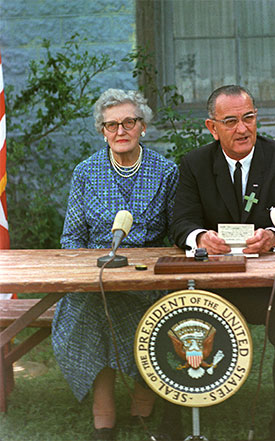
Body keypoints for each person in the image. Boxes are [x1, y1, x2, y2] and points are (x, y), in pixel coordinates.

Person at [168, 84, 275, 440]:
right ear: (211, 127)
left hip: (268, 286)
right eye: (230, 121)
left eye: (248, 118)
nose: (242, 129)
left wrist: (274, 236)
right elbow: (180, 222)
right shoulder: (194, 164)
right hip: (214, 286)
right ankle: (173, 413)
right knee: (173, 302)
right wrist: (199, 237)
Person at [53, 89, 179, 441]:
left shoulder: (166, 171)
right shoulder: (85, 173)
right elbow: (71, 238)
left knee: (151, 307)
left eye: (128, 122)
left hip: (148, 277)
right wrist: (87, 274)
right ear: (102, 131)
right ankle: (103, 402)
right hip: (99, 274)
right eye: (111, 125)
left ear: (142, 126)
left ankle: (144, 387)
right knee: (87, 304)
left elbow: (176, 235)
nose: (120, 130)